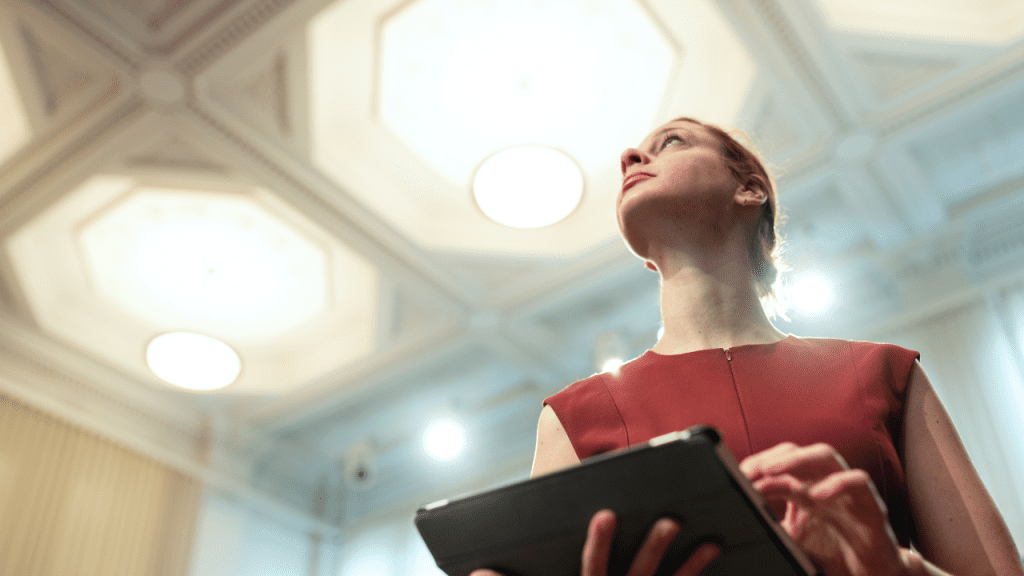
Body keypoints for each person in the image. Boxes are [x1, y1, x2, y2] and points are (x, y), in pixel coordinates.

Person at [471, 118, 1024, 576]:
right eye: (634, 155)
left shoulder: (886, 374)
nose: (628, 158)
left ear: (749, 189)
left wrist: (895, 570)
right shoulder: (573, 417)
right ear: (644, 257)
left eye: (671, 141)